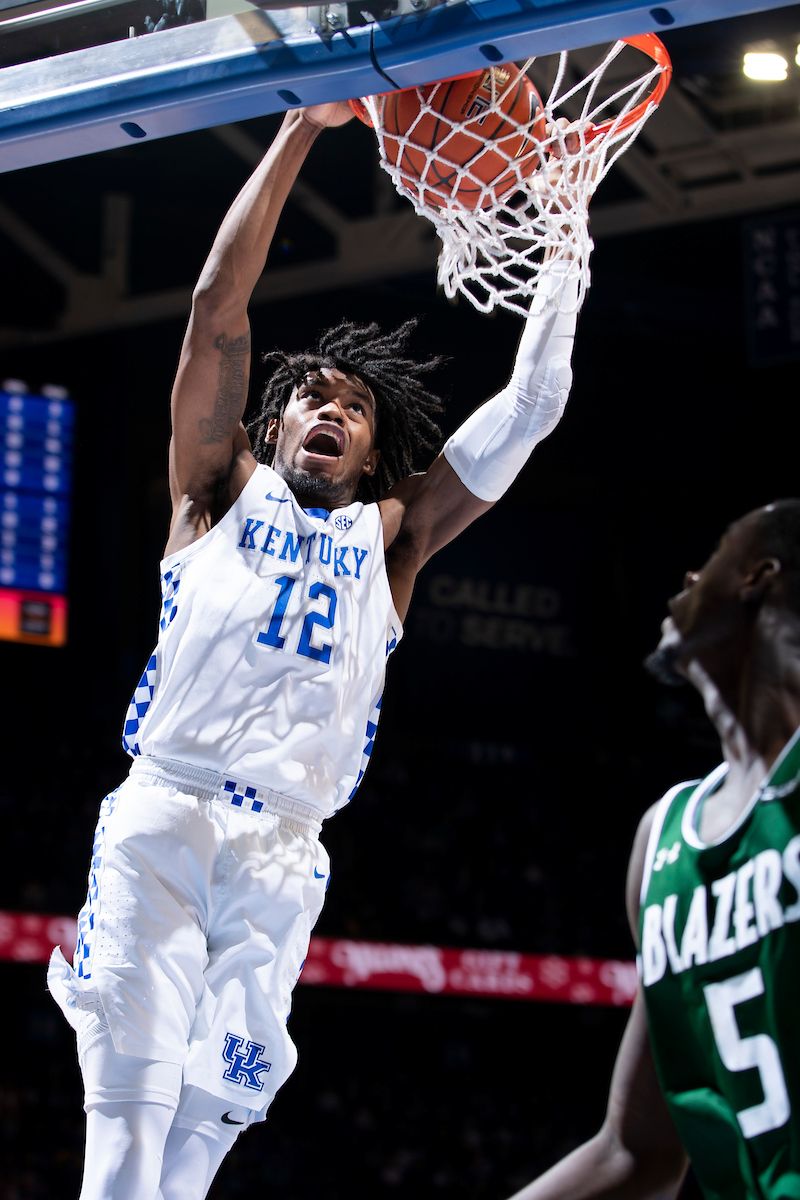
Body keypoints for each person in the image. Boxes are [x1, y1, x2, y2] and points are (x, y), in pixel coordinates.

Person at [47, 98, 584, 1200]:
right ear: (273, 427)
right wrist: (300, 126)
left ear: (373, 450)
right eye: (305, 396)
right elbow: (215, 307)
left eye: (351, 406)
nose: (326, 408)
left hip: (285, 849)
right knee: (128, 1134)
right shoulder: (211, 496)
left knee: (202, 1138)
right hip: (167, 813)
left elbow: (531, 404)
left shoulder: (393, 538)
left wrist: (566, 238)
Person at [510, 500, 800, 1200]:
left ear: (758, 576)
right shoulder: (664, 835)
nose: (690, 574)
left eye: (718, 552)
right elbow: (637, 1151)